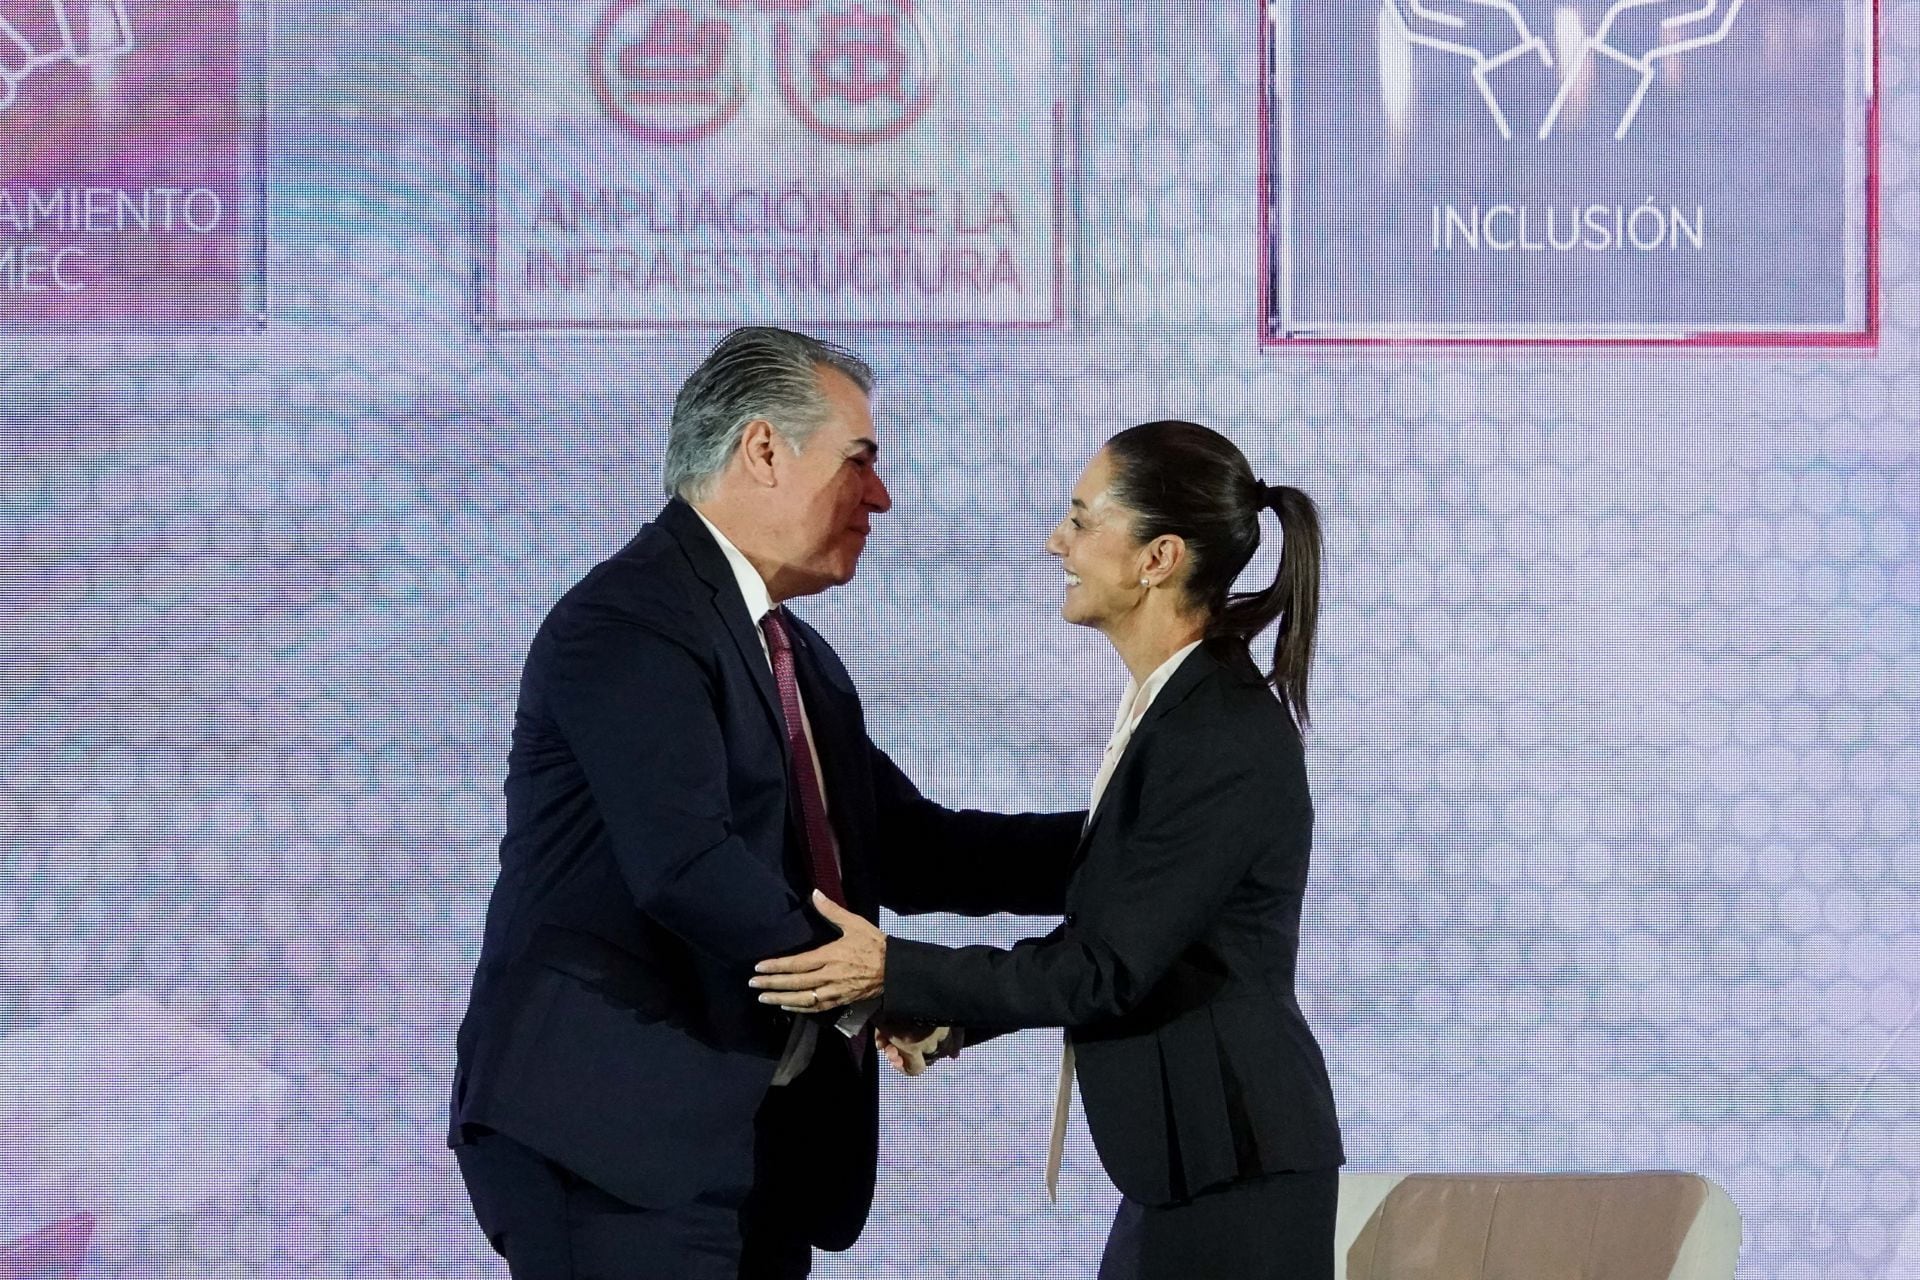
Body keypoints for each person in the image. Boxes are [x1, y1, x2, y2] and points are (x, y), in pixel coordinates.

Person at [448, 327, 1083, 1279]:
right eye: (859, 461)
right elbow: (686, 866)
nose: (881, 495)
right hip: (615, 1142)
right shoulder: (632, 617)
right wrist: (879, 987)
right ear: (763, 450)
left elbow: (911, 849)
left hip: (758, 1150)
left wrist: (1137, 838)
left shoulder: (798, 659)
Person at [753, 420, 1346, 1279]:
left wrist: (892, 970)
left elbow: (1105, 968)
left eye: (1081, 519)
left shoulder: (1216, 729)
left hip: (1234, 1163)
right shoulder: (1176, 707)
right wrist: (958, 1014)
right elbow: (1120, 916)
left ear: (1158, 558)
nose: (1056, 542)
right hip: (1195, 1164)